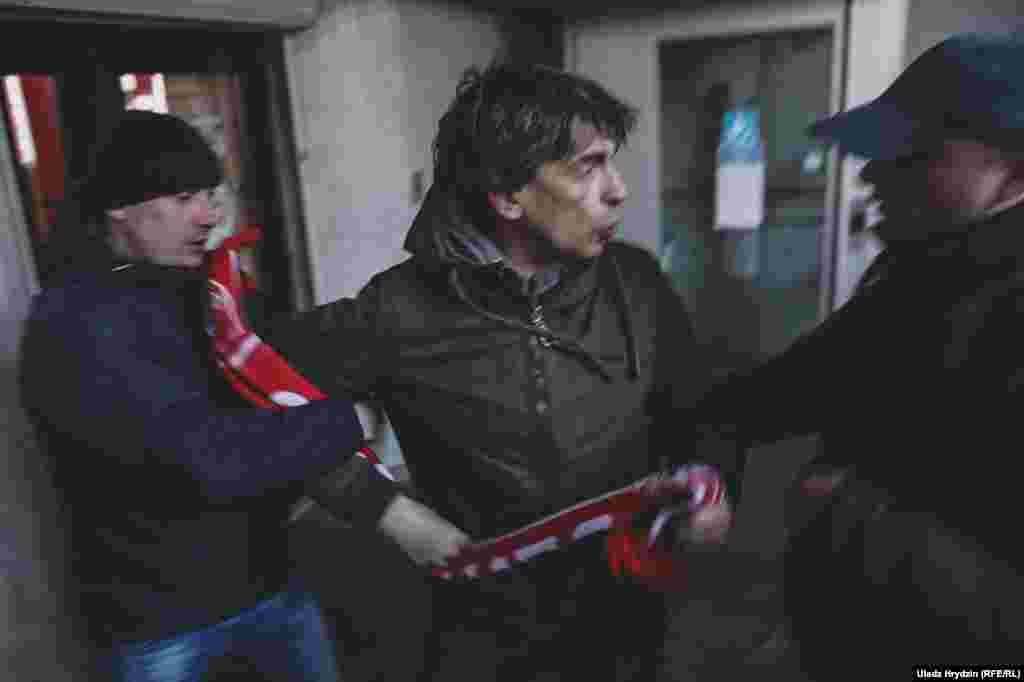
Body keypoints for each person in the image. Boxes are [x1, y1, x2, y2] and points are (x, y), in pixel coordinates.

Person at [267, 62, 732, 681]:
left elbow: (696, 410)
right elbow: (254, 386)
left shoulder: (638, 282)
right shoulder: (398, 310)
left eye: (611, 162)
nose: (618, 189)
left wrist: (711, 485)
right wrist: (384, 509)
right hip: (485, 630)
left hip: (628, 610)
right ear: (507, 195)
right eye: (588, 167)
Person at [17, 110, 416, 681]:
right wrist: (352, 417)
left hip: (270, 585)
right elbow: (208, 457)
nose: (208, 215)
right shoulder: (74, 322)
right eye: (183, 198)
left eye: (209, 195)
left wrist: (393, 336)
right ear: (119, 207)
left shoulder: (203, 288)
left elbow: (281, 372)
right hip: (160, 623)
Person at [687, 33, 1024, 676]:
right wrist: (706, 466)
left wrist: (850, 516)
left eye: (912, 153)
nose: (870, 173)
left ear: (1015, 171)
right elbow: (773, 395)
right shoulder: (917, 277)